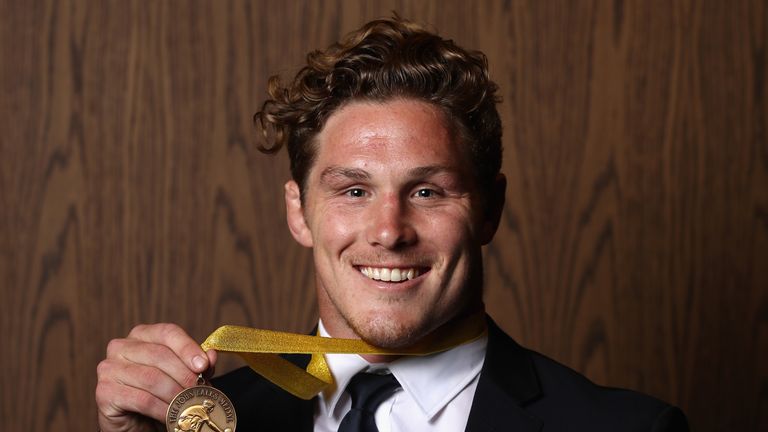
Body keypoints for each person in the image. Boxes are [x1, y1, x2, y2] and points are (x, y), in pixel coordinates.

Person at [96, 15, 689, 432]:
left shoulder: (631, 426)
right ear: (299, 213)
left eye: (428, 191)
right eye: (354, 190)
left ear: (490, 210)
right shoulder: (209, 419)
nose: (389, 230)